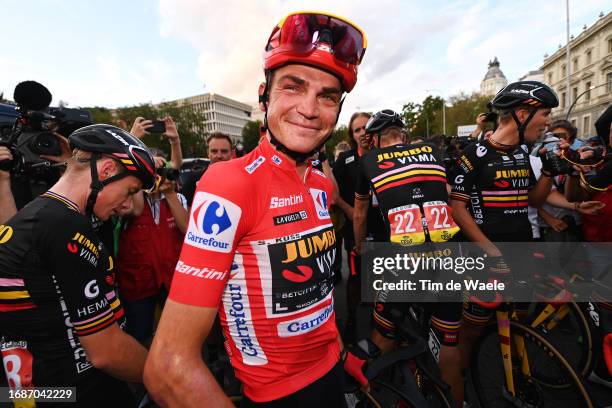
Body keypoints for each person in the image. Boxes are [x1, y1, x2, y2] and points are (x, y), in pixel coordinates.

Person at [144, 11, 368, 407]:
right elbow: (167, 368)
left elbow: (317, 293)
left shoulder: (319, 183)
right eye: (293, 87)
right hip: (276, 393)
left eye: (327, 96)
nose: (310, 109)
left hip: (330, 369)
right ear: (264, 94)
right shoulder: (229, 183)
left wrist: (340, 354)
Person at [0, 124, 157, 407]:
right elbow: (105, 351)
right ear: (107, 171)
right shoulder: (65, 225)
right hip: (80, 392)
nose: (125, 204)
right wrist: (165, 376)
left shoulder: (36, 215)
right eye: (129, 190)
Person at [353, 109, 464, 406]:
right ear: (401, 134)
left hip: (405, 260)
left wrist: (361, 247)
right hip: (447, 255)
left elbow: (361, 213)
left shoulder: (369, 160)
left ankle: (369, 396)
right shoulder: (432, 150)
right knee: (449, 342)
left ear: (374, 139)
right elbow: (449, 194)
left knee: (383, 329)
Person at [449, 81, 559, 368]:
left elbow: (534, 200)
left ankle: (513, 375)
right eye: (544, 114)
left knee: (517, 318)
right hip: (485, 256)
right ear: (522, 115)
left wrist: (548, 172)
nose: (548, 122)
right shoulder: (476, 154)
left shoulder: (523, 153)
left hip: (519, 249)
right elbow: (458, 209)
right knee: (471, 330)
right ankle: (459, 383)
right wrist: (491, 251)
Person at [180, 132, 234, 206]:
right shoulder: (194, 180)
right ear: (208, 153)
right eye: (214, 151)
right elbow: (186, 212)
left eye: (224, 151)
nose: (219, 155)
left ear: (231, 153)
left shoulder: (242, 180)